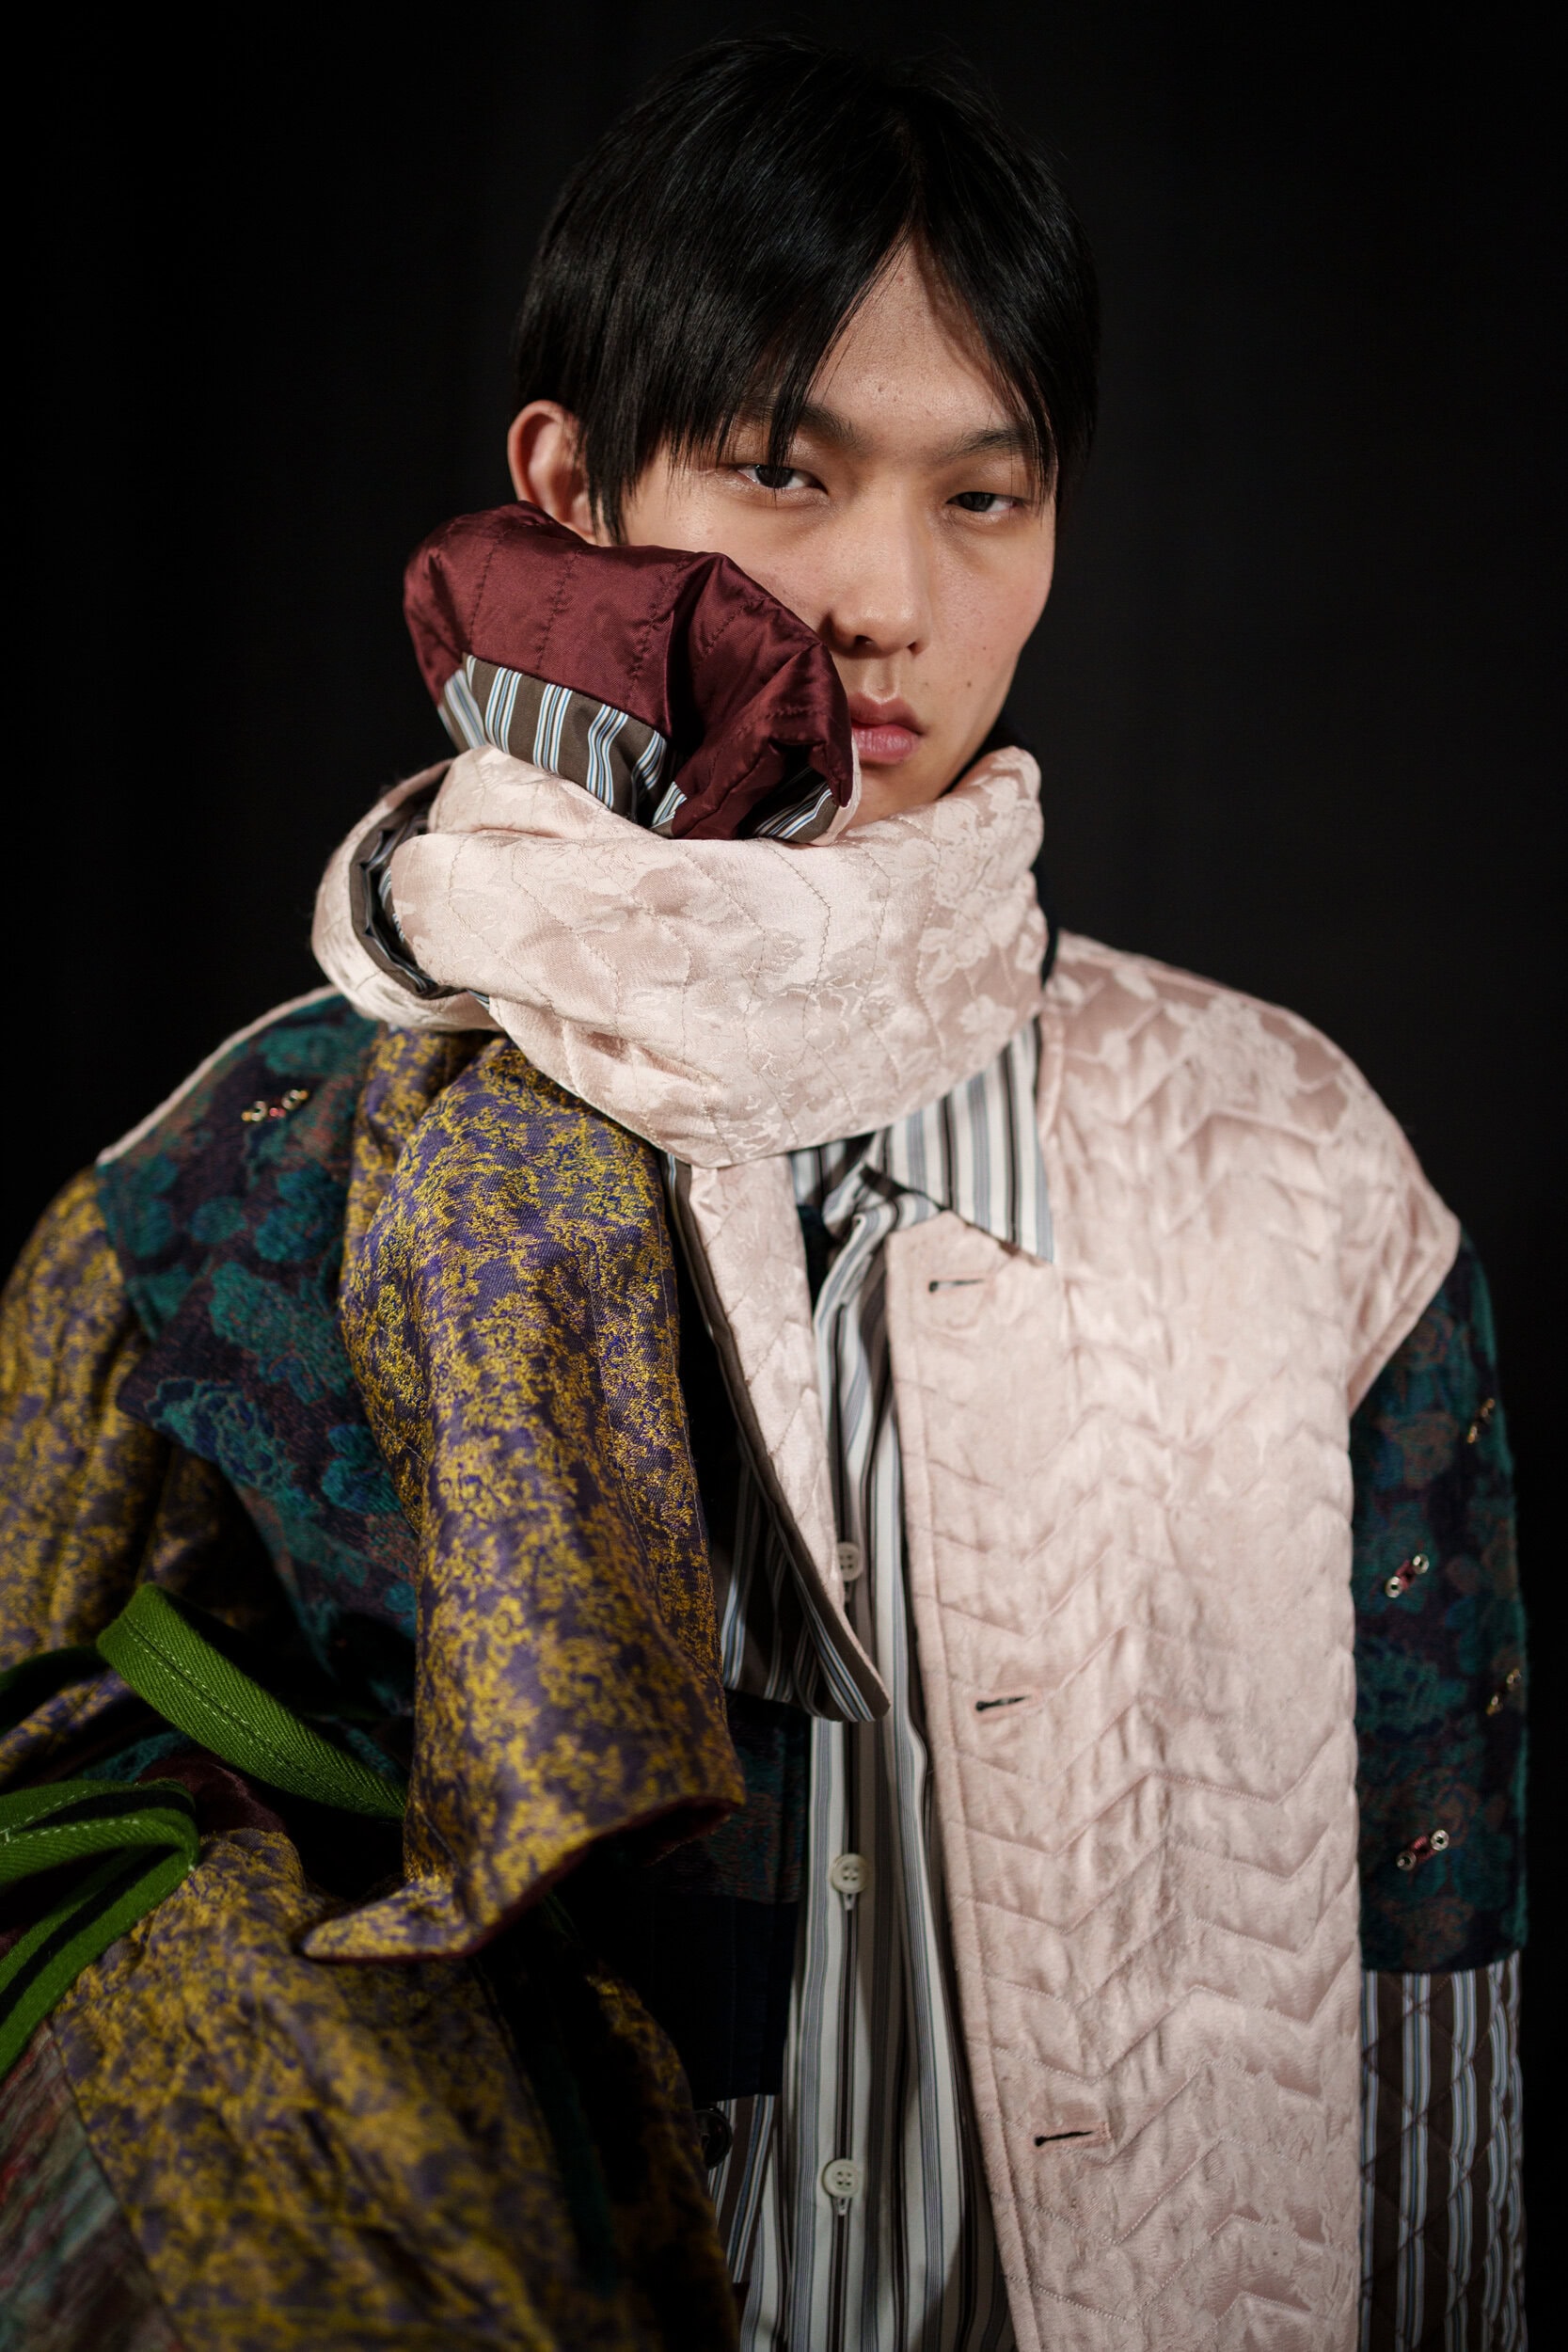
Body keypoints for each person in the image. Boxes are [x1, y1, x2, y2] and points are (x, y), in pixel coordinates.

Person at [0, 36, 1525, 2352]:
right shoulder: (242, 1188)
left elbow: (1439, 1962)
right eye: (784, 472)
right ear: (570, 482)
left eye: (986, 496)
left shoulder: (1302, 1174)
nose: (886, 598)